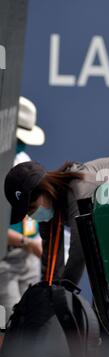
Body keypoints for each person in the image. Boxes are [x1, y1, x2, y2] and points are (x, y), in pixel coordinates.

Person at [4, 157, 109, 284]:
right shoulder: (49, 204)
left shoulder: (79, 188)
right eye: (28, 213)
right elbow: (50, 265)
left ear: (44, 188)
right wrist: (49, 293)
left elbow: (81, 248)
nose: (32, 216)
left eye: (32, 208)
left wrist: (64, 290)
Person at [0, 97, 44, 320]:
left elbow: (31, 211)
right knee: (7, 328)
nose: (21, 143)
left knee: (29, 330)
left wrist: (34, 242)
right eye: (19, 137)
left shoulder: (23, 159)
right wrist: (28, 243)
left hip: (29, 259)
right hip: (4, 262)